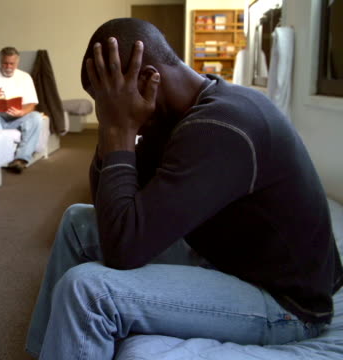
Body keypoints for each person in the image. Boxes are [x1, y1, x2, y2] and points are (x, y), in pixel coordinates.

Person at [25, 18, 342, 359]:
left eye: (110, 101)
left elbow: (123, 248)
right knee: (78, 222)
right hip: (227, 260)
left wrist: (119, 128)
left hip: (285, 304)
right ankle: (46, 351)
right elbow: (113, 207)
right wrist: (112, 131)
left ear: (147, 79)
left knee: (88, 291)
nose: (108, 112)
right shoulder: (176, 114)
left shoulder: (221, 126)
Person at [0, 46, 42, 173]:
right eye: (5, 63)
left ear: (17, 62)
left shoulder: (25, 77)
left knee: (36, 117)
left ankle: (21, 159)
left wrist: (22, 112)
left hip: (17, 117)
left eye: (12, 63)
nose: (8, 66)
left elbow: (32, 103)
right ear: (0, 61)